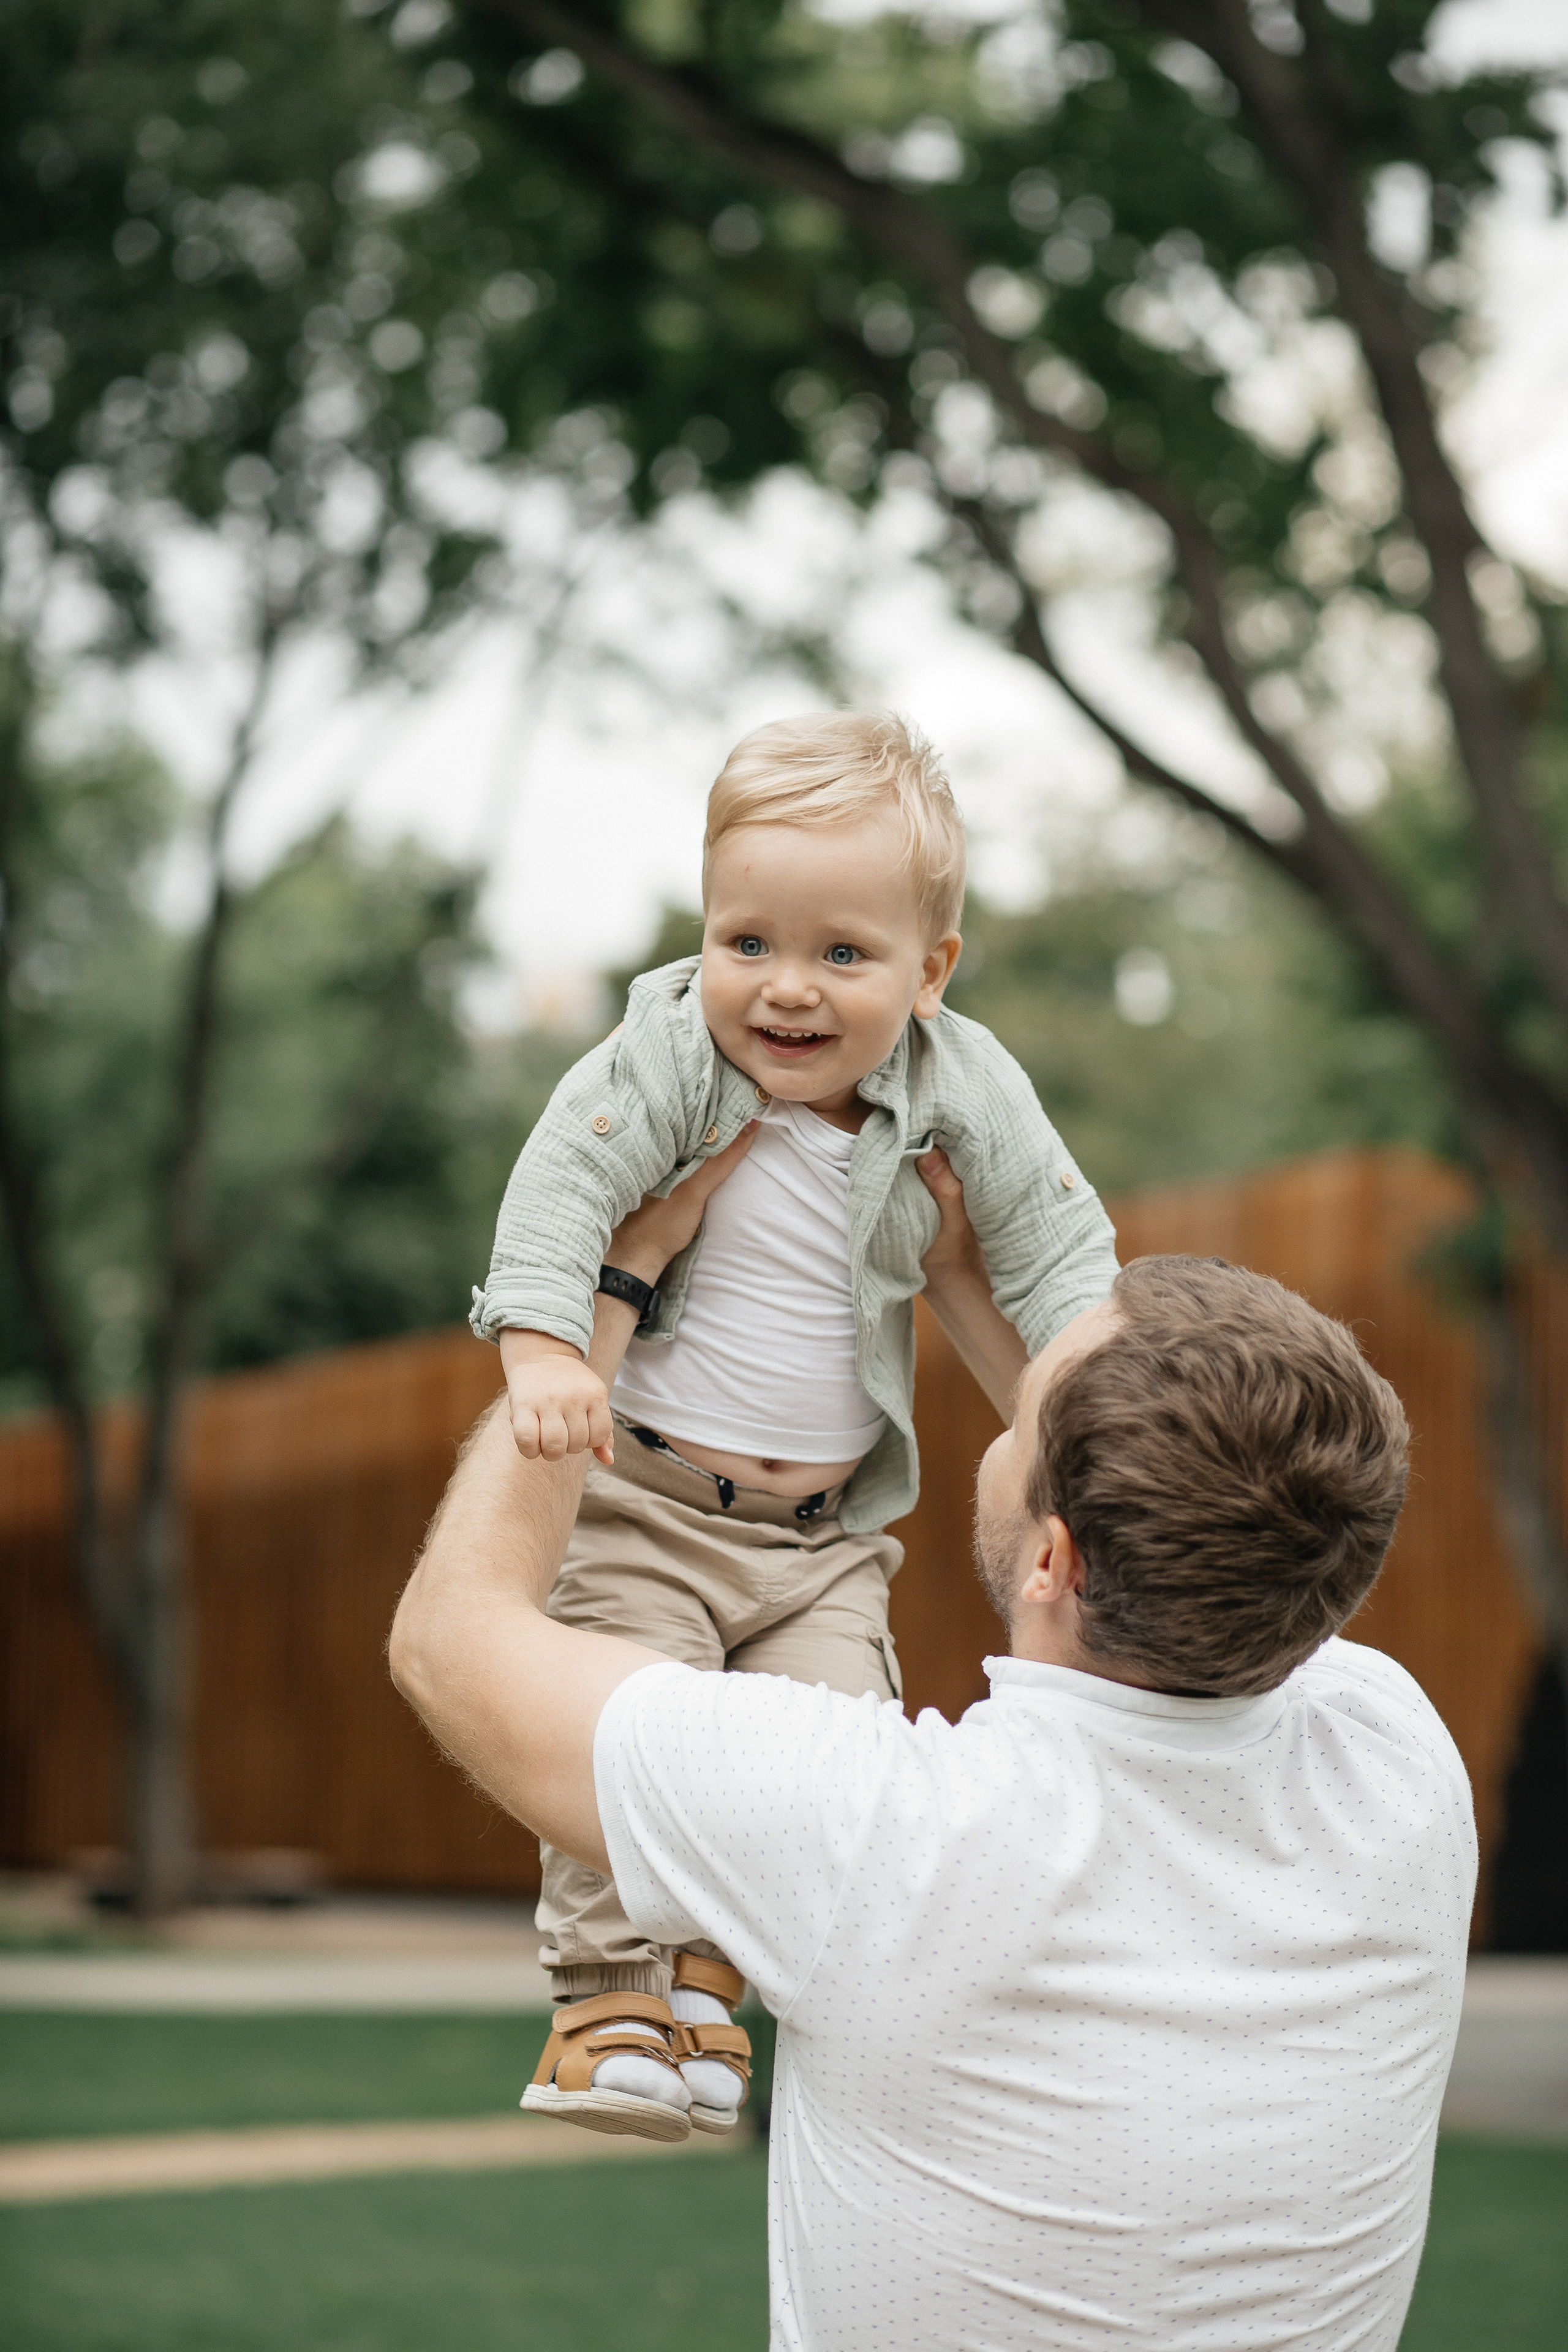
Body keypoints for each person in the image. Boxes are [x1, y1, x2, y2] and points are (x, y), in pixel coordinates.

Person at [391, 1156, 1476, 2352]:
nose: (1006, 1411)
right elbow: (1228, 1518)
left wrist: (604, 1293)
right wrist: (954, 1277)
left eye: (1025, 1414)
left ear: (1055, 1561)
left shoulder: (887, 1836)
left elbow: (453, 1643)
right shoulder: (1398, 1763)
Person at [468, 711, 1118, 2135]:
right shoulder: (663, 1057)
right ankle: (605, 1999)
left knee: (833, 1772)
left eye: (843, 955)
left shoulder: (962, 1086)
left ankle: (712, 1988)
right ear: (702, 930)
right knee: (625, 1734)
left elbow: (1063, 1259)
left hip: (823, 1545)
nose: (785, 992)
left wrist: (1098, 1423)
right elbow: (557, 1197)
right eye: (746, 942)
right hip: (648, 1502)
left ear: (929, 971)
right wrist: (538, 1356)